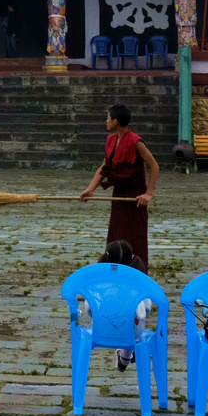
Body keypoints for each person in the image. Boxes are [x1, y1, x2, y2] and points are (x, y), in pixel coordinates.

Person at [80, 104, 159, 265]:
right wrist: (90, 189)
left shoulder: (136, 141)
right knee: (116, 234)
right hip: (118, 196)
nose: (106, 121)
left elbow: (154, 166)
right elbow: (103, 168)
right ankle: (114, 270)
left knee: (135, 236)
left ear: (115, 121)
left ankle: (137, 272)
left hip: (135, 197)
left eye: (108, 118)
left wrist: (148, 193)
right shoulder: (110, 140)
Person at [100, 239, 151, 372]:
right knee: (133, 324)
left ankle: (124, 358)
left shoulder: (100, 283)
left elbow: (89, 309)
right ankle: (126, 356)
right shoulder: (139, 285)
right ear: (133, 261)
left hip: (102, 329)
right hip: (133, 331)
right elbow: (147, 308)